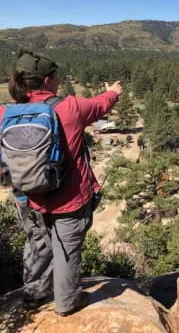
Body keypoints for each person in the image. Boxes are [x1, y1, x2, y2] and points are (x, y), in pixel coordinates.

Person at [1, 51, 122, 316]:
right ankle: (66, 303)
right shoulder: (71, 107)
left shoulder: (4, 113)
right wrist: (113, 91)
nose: (59, 81)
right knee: (66, 250)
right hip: (69, 199)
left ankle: (33, 297)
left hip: (28, 197)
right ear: (47, 80)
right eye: (57, 77)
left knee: (36, 244)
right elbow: (102, 104)